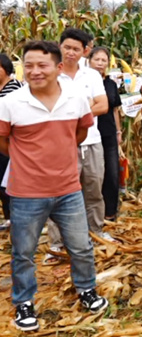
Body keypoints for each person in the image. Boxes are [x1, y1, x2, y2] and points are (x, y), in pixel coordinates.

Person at [1, 41, 108, 332]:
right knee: (23, 252)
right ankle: (24, 301)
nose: (35, 71)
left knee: (82, 247)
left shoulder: (75, 99)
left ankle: (86, 289)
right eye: (29, 65)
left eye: (42, 65)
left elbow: (80, 131)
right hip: (25, 193)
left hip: (68, 189)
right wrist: (28, 163)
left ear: (58, 68)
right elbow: (3, 140)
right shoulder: (10, 102)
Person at [47, 27, 112, 264]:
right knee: (60, 192)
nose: (71, 53)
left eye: (76, 49)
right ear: (59, 46)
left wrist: (73, 115)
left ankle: (96, 233)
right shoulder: (51, 73)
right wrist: (84, 111)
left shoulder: (92, 75)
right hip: (62, 144)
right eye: (67, 48)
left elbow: (103, 105)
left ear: (85, 51)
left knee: (94, 189)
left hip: (92, 142)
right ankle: (56, 243)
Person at [87, 47, 124, 222]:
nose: (100, 64)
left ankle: (110, 211)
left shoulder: (110, 84)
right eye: (97, 60)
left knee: (112, 172)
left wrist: (118, 131)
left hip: (108, 132)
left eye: (104, 61)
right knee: (94, 174)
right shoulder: (84, 82)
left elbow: (115, 110)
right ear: (89, 60)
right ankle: (93, 212)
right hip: (88, 132)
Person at [0, 53, 22, 231]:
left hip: (8, 141)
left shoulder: (15, 87)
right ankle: (8, 217)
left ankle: (13, 218)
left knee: (6, 182)